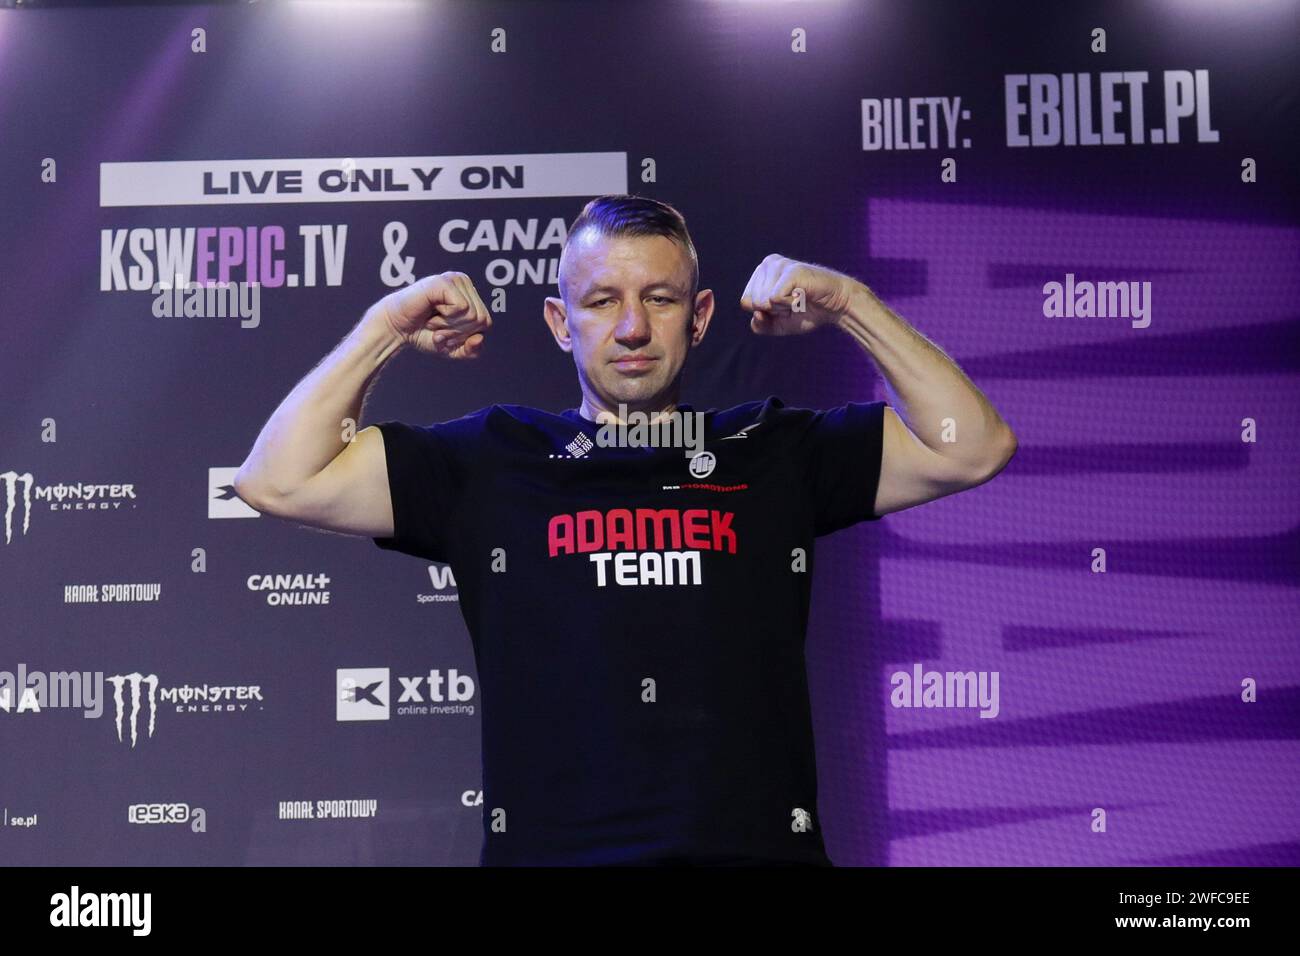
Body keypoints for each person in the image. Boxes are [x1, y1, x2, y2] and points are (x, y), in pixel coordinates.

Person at [234, 194, 1017, 866]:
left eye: (662, 299)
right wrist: (384, 328)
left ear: (700, 316)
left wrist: (852, 304)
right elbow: (279, 479)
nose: (633, 327)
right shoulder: (492, 459)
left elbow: (973, 447)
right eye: (602, 300)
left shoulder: (775, 450)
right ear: (560, 322)